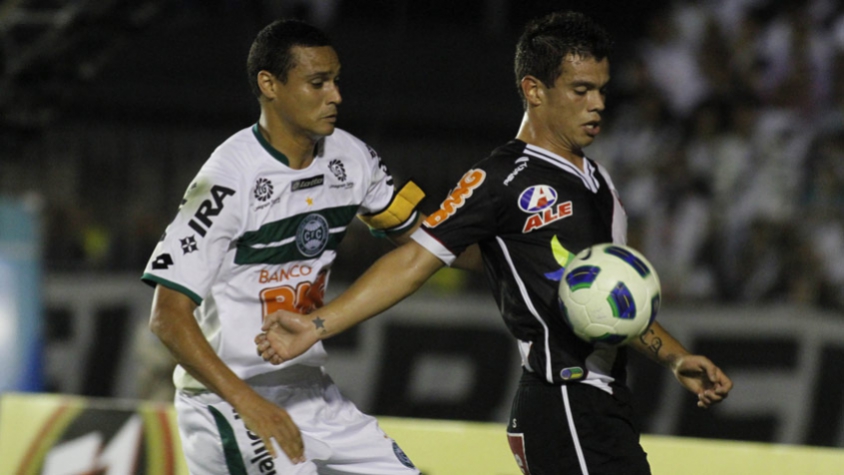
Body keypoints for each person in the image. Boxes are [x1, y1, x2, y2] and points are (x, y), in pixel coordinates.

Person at [256, 11, 733, 475]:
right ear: (534, 91)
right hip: (565, 400)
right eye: (581, 90)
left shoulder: (597, 178)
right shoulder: (501, 178)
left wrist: (674, 356)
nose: (598, 104)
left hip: (602, 403)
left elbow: (611, 307)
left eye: (602, 90)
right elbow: (414, 262)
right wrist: (317, 325)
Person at [142, 18, 443, 475]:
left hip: (312, 392)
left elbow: (424, 243)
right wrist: (249, 403)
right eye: (318, 83)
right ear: (270, 85)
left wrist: (517, 255)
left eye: (336, 81)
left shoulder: (352, 157)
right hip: (229, 400)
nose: (336, 96)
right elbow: (166, 316)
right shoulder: (229, 176)